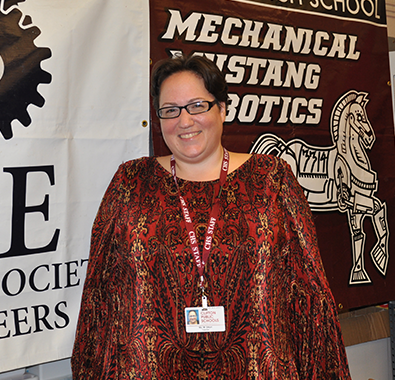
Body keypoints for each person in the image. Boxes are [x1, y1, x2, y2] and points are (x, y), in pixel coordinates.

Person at [71, 53, 351, 379]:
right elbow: (99, 299)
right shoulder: (130, 184)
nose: (184, 121)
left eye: (197, 106)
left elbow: (310, 294)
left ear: (222, 108)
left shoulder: (271, 179)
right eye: (170, 110)